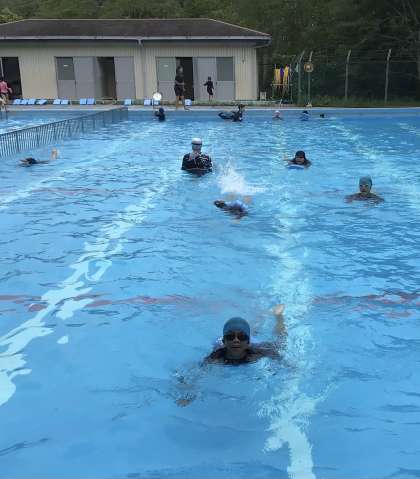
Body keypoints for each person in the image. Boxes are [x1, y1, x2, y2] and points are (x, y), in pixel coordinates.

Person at [204, 305, 286, 365]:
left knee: (279, 343)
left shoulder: (257, 351)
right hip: (221, 343)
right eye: (230, 337)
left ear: (248, 342)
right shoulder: (216, 356)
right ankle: (260, 317)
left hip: (252, 341)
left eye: (241, 337)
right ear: (224, 341)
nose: (236, 340)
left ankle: (278, 315)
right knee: (248, 329)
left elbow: (279, 357)